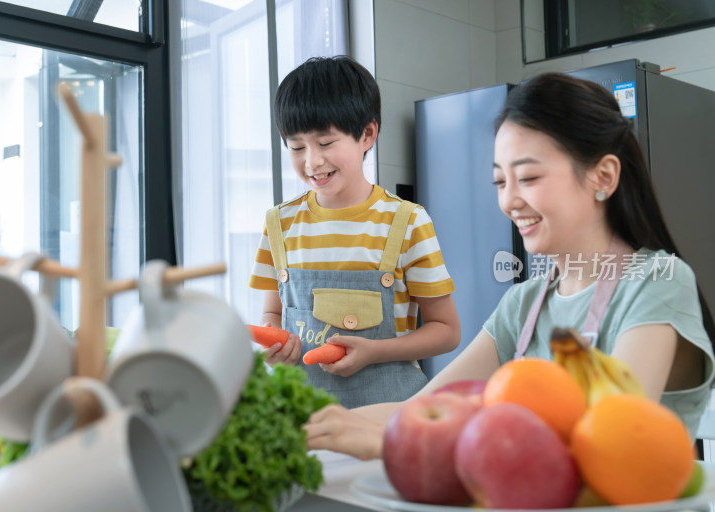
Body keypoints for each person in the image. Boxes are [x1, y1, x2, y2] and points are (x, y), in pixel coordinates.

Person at [304, 72, 715, 459]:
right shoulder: (526, 302)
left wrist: (401, 442)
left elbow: (611, 442)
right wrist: (311, 427)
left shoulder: (657, 282)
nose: (510, 201)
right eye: (501, 182)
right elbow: (421, 409)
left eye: (529, 178)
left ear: (603, 176)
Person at [248, 56, 461, 408]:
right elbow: (272, 314)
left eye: (326, 143)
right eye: (297, 147)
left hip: (387, 420)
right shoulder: (279, 224)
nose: (311, 162)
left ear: (367, 134)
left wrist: (375, 352)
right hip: (303, 417)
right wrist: (277, 343)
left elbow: (447, 331)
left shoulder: (407, 221)